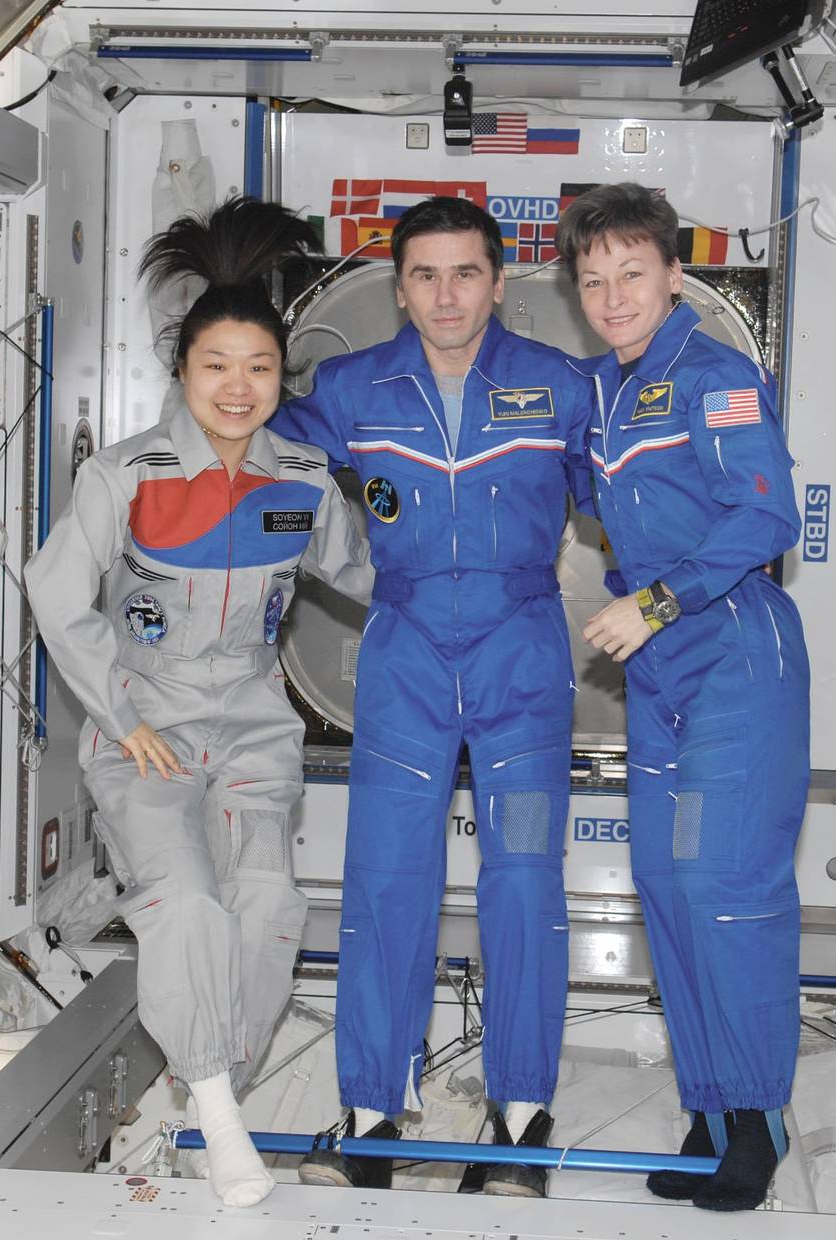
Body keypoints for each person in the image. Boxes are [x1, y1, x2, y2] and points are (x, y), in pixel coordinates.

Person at [25, 197, 373, 1208]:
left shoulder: (302, 478)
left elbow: (365, 577)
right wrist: (120, 716)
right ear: (182, 369)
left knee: (267, 907)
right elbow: (54, 590)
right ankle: (219, 1113)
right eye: (217, 364)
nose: (237, 386)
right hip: (149, 729)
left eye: (258, 368)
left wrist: (482, 585)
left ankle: (209, 1081)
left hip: (255, 727)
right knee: (183, 902)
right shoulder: (127, 474)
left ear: (279, 377)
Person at [271, 195, 592, 1197]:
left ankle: (522, 1114)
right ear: (398, 289)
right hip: (405, 654)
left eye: (464, 273)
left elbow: (633, 501)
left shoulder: (561, 384)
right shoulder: (350, 387)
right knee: (385, 876)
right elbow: (250, 447)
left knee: (524, 878)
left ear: (498, 282)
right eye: (424, 275)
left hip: (521, 658)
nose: (446, 295)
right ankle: (372, 1114)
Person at [554, 183, 810, 1213]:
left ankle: (757, 1118)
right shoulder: (595, 390)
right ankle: (709, 1105)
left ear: (672, 274)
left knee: (722, 885)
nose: (613, 296)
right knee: (666, 882)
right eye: (593, 280)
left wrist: (655, 601)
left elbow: (768, 516)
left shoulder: (715, 376)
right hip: (657, 676)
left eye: (632, 273)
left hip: (733, 661)